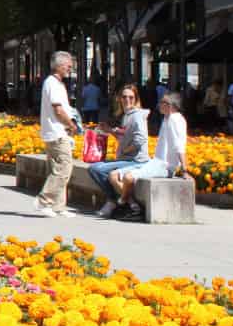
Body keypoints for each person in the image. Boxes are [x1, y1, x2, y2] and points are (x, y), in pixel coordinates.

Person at [114, 91, 188, 219]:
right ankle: (127, 204)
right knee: (116, 175)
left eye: (162, 102)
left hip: (164, 166)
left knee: (128, 178)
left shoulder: (174, 120)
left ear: (170, 105)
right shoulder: (168, 118)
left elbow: (179, 145)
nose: (159, 105)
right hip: (156, 162)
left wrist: (185, 170)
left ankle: (127, 205)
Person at [89, 84, 149, 218]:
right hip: (126, 158)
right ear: (119, 99)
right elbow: (125, 135)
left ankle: (118, 201)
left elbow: (141, 139)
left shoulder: (137, 115)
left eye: (131, 97)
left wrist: (127, 150)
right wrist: (110, 130)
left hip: (135, 160)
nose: (127, 100)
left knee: (96, 169)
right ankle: (123, 201)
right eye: (124, 97)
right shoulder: (127, 115)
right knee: (95, 168)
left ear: (136, 99)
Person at [34, 51, 80, 218]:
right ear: (59, 66)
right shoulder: (52, 83)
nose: (70, 68)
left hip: (56, 131)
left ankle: (58, 206)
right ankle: (44, 200)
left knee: (57, 168)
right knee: (64, 168)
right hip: (56, 132)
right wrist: (71, 124)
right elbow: (58, 109)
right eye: (68, 66)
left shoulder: (57, 83)